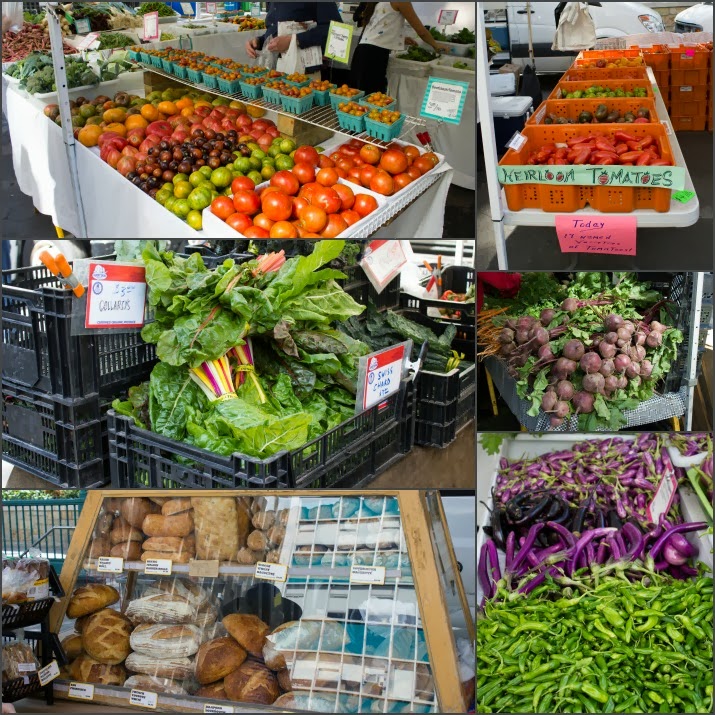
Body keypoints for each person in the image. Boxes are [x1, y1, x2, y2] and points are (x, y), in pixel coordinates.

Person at [351, 2, 446, 95]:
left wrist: (400, 38)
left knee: (360, 96)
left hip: (361, 51)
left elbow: (379, 26)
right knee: (373, 98)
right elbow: (421, 31)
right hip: (374, 55)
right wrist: (436, 46)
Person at [244, 2, 341, 78]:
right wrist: (259, 41)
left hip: (304, 76)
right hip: (275, 71)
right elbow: (277, 28)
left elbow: (339, 30)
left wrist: (294, 40)